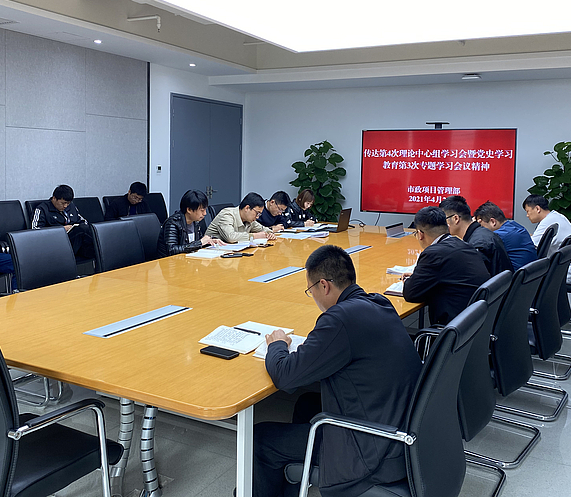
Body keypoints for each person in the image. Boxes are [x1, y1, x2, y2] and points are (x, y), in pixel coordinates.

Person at [255, 245, 422, 497]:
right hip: (398, 425)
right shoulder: (379, 302)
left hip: (372, 449)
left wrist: (277, 345)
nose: (313, 296)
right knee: (306, 403)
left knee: (260, 440)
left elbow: (285, 375)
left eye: (310, 290)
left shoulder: (339, 319)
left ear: (324, 285)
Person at [402, 206, 490, 325]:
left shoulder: (433, 253)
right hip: (475, 320)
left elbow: (411, 294)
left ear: (420, 234)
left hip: (456, 326)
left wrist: (407, 280)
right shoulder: (462, 243)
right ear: (447, 227)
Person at [439, 195, 513, 276]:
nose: (442, 224)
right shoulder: (481, 233)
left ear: (456, 219)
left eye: (444, 220)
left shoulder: (478, 244)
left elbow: (475, 279)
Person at [522, 195, 571, 284]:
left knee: (528, 279)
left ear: (537, 209)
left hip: (568, 272)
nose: (527, 215)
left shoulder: (547, 222)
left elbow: (532, 245)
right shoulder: (556, 216)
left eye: (528, 211)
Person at [156, 189, 225, 257]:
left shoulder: (196, 222)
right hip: (169, 262)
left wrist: (210, 241)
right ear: (189, 210)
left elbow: (197, 244)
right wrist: (200, 242)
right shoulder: (173, 223)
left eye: (205, 210)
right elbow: (172, 250)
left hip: (188, 259)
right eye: (202, 210)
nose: (205, 213)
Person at [31, 185, 94, 259]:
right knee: (82, 230)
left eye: (68, 203)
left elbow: (84, 222)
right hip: (56, 243)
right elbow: (35, 231)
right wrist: (61, 229)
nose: (65, 206)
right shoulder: (42, 209)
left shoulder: (71, 207)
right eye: (63, 203)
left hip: (75, 241)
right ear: (54, 198)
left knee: (94, 247)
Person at [473, 201, 537, 271]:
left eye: (482, 226)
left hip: (515, 276)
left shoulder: (497, 236)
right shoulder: (515, 225)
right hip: (532, 274)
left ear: (493, 222)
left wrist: (473, 226)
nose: (481, 231)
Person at [205, 192, 276, 243]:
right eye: (257, 213)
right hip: (211, 251)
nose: (257, 217)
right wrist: (254, 236)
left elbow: (262, 229)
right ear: (247, 208)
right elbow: (230, 237)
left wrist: (270, 233)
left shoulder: (249, 220)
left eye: (259, 214)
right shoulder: (227, 215)